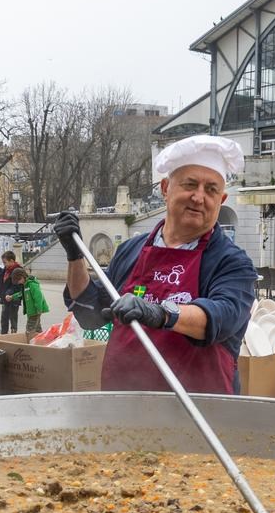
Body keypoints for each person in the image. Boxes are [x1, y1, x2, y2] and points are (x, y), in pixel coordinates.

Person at [56, 134, 256, 394]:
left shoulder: (231, 261)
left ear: (222, 200)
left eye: (211, 190)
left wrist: (161, 314)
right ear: (165, 188)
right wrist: (75, 255)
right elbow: (90, 313)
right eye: (190, 184)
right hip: (123, 401)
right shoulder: (131, 250)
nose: (199, 197)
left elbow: (223, 316)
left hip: (199, 407)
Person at [22, 264, 49, 336]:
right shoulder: (26, 285)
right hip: (31, 311)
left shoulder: (32, 285)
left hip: (35, 311)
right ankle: (42, 340)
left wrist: (39, 309)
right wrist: (13, 296)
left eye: (18, 280)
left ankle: (30, 341)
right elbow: (21, 294)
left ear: (23, 277)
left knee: (29, 329)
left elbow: (38, 297)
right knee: (37, 328)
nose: (18, 282)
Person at [1, 264, 27, 335]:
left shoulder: (17, 273)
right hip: (8, 297)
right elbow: (21, 293)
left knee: (13, 319)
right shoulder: (7, 270)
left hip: (14, 302)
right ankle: (4, 334)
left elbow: (19, 290)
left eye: (5, 262)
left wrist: (38, 308)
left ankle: (13, 334)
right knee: (4, 318)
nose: (4, 264)